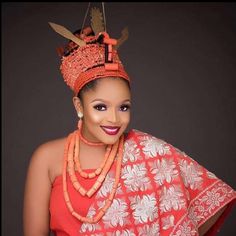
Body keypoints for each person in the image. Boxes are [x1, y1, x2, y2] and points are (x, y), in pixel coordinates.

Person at [23, 5, 236, 236]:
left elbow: (195, 215)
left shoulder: (151, 154)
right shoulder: (46, 159)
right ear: (79, 106)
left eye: (123, 107)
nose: (114, 119)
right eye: (101, 107)